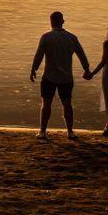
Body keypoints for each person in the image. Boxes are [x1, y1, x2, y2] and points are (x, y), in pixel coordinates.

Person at [30, 11, 91, 140]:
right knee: (67, 104)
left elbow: (39, 55)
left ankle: (42, 132)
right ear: (62, 22)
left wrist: (33, 69)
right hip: (66, 77)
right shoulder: (72, 38)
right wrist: (86, 69)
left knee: (46, 103)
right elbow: (81, 55)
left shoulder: (46, 37)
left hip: (49, 76)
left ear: (51, 22)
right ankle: (70, 132)